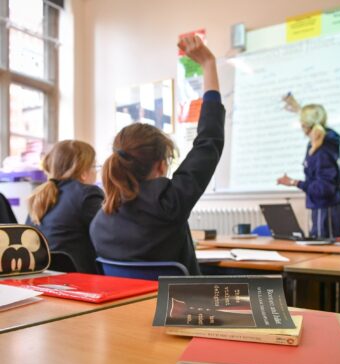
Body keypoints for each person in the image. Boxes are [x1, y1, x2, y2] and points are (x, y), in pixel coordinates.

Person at [90, 35, 225, 275]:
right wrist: (208, 65)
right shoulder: (170, 202)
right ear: (161, 166)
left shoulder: (100, 222)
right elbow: (209, 141)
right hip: (182, 311)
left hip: (124, 313)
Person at [27, 140, 104, 273]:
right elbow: (106, 238)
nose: (96, 172)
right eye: (95, 166)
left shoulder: (39, 196)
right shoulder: (88, 193)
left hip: (44, 277)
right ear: (84, 172)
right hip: (80, 280)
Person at [277, 98, 340, 238]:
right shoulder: (321, 143)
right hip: (322, 208)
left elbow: (324, 188)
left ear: (304, 124)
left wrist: (294, 183)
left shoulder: (322, 151)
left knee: (324, 256)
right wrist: (297, 108)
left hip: (326, 210)